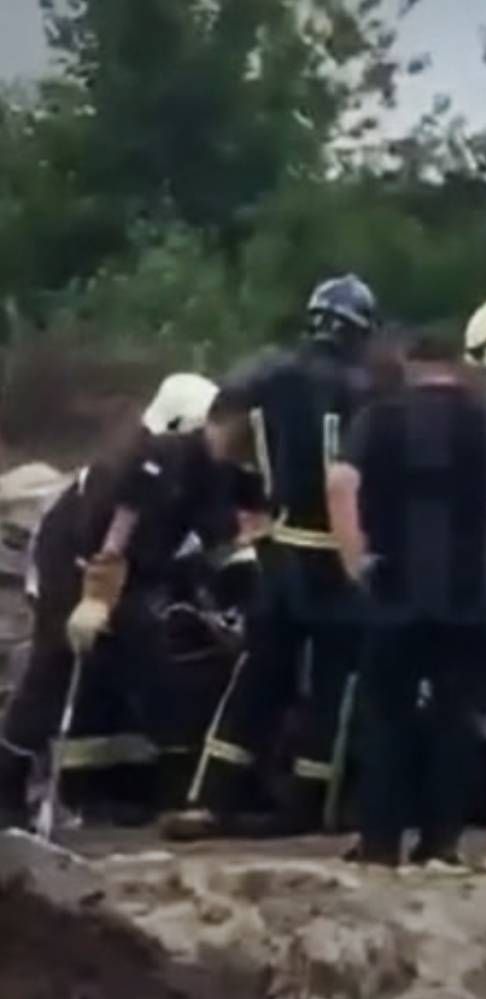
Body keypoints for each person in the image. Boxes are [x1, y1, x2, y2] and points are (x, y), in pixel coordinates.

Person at [328, 332, 486, 869]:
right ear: (458, 367)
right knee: (456, 716)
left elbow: (340, 483)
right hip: (471, 591)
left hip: (394, 588)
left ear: (412, 366)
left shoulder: (379, 418)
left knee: (386, 714)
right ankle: (441, 844)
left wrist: (354, 558)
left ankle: (379, 842)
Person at [163, 274, 382, 841]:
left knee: (260, 673)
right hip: (337, 555)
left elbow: (218, 441)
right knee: (335, 681)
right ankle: (315, 803)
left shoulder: (268, 374)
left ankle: (210, 798)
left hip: (281, 551)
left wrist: (250, 492)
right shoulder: (367, 387)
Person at [0, 376, 257, 828]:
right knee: (55, 667)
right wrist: (94, 599)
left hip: (135, 572)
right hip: (74, 565)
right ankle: (8, 787)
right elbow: (103, 539)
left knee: (150, 662)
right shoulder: (134, 467)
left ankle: (148, 789)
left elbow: (218, 538)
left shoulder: (206, 471)